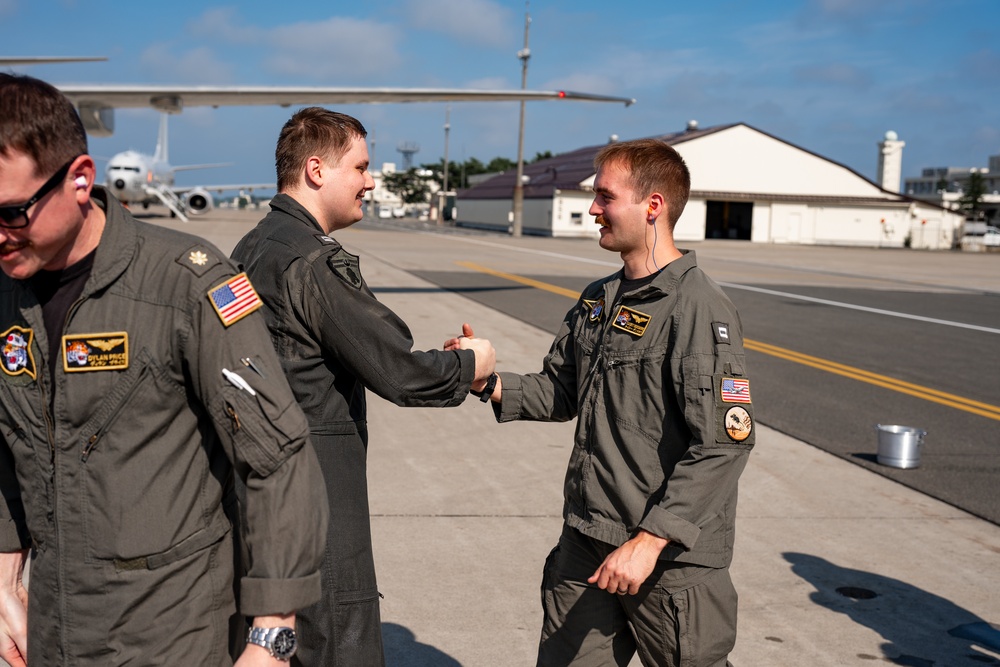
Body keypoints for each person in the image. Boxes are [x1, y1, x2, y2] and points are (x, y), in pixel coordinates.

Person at [0, 73, 329, 666]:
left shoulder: (189, 283)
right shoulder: (4, 295)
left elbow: (277, 459)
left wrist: (271, 638)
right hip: (53, 632)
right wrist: (3, 579)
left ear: (79, 179)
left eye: (13, 213)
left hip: (171, 636)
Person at [449, 138, 755, 667]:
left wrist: (650, 540)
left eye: (605, 198)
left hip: (668, 561)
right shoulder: (599, 299)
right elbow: (561, 391)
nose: (592, 209)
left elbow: (724, 445)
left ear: (652, 206)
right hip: (588, 540)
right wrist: (485, 381)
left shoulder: (698, 307)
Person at [230, 107, 496, 666]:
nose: (371, 181)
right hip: (318, 494)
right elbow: (396, 368)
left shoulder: (252, 248)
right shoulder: (310, 261)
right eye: (361, 167)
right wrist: (471, 364)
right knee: (336, 635)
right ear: (317, 169)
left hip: (258, 493)